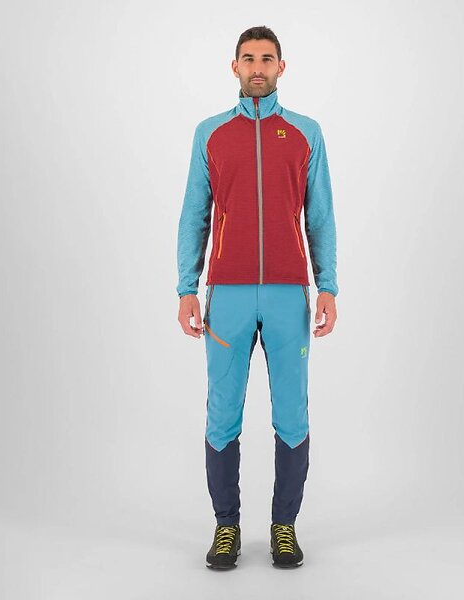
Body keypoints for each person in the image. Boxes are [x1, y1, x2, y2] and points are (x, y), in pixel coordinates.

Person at [176, 25, 338, 570]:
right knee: (223, 413)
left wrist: (328, 286)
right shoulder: (211, 134)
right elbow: (194, 215)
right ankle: (226, 527)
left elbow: (320, 217)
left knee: (292, 414)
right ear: (235, 67)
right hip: (227, 295)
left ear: (281, 67)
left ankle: (283, 527)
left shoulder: (307, 133)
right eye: (248, 59)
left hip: (291, 295)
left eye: (267, 58)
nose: (257, 67)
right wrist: (187, 288)